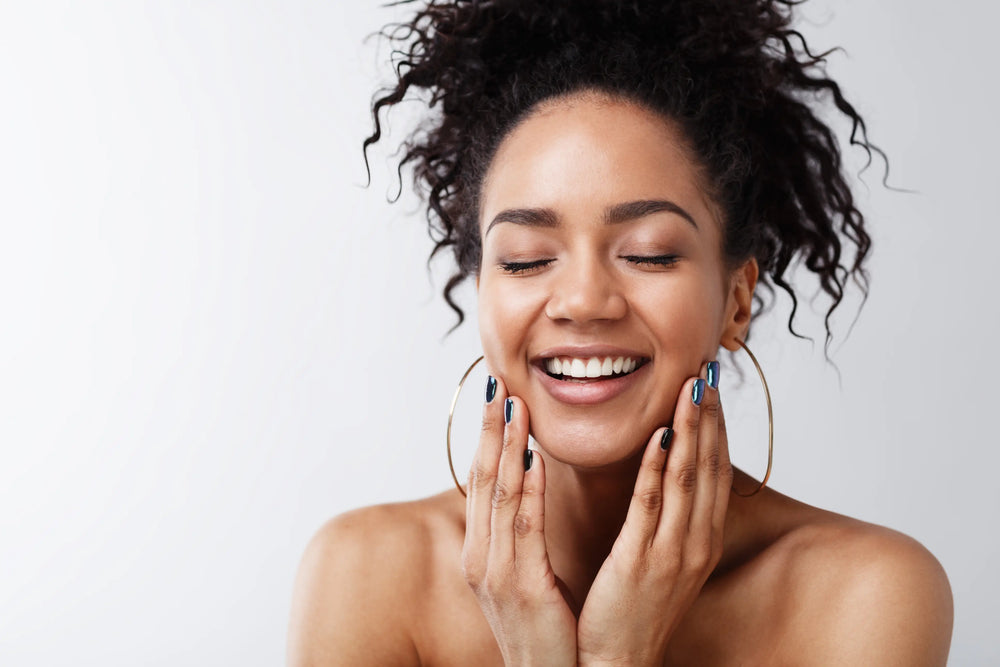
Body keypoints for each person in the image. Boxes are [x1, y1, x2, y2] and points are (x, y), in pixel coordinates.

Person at [287, 0, 953, 664]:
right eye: (525, 258)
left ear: (736, 303)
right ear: (483, 290)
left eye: (650, 253)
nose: (583, 301)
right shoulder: (364, 575)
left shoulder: (867, 594)